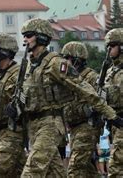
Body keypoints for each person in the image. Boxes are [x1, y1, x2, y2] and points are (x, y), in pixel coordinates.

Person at [8, 18, 123, 177]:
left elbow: (86, 90)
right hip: (35, 126)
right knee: (57, 173)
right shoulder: (29, 66)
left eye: (29, 35)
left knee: (32, 171)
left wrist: (111, 114)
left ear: (41, 37)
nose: (25, 39)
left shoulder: (55, 63)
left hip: (50, 125)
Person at [0, 33, 25, 177]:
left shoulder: (19, 74)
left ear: (5, 52)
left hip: (12, 132)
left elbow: (30, 102)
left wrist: (19, 108)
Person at [60, 41, 101, 177]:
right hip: (74, 127)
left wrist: (83, 110)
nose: (64, 62)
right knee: (88, 170)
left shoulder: (91, 77)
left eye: (67, 58)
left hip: (87, 126)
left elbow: (98, 102)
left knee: (75, 168)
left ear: (77, 59)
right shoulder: (68, 78)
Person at [103, 28, 123, 176]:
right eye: (108, 46)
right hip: (115, 124)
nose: (109, 49)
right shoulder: (110, 71)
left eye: (113, 45)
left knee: (115, 167)